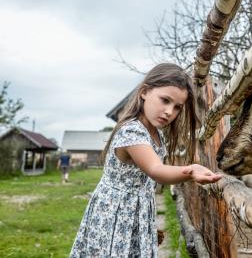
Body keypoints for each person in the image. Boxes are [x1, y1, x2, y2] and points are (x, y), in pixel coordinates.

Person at [70, 63, 222, 257]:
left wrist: (146, 226)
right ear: (144, 92)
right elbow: (156, 169)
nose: (169, 111)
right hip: (115, 213)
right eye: (165, 100)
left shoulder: (156, 133)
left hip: (136, 210)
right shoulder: (132, 131)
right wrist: (191, 171)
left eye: (177, 107)